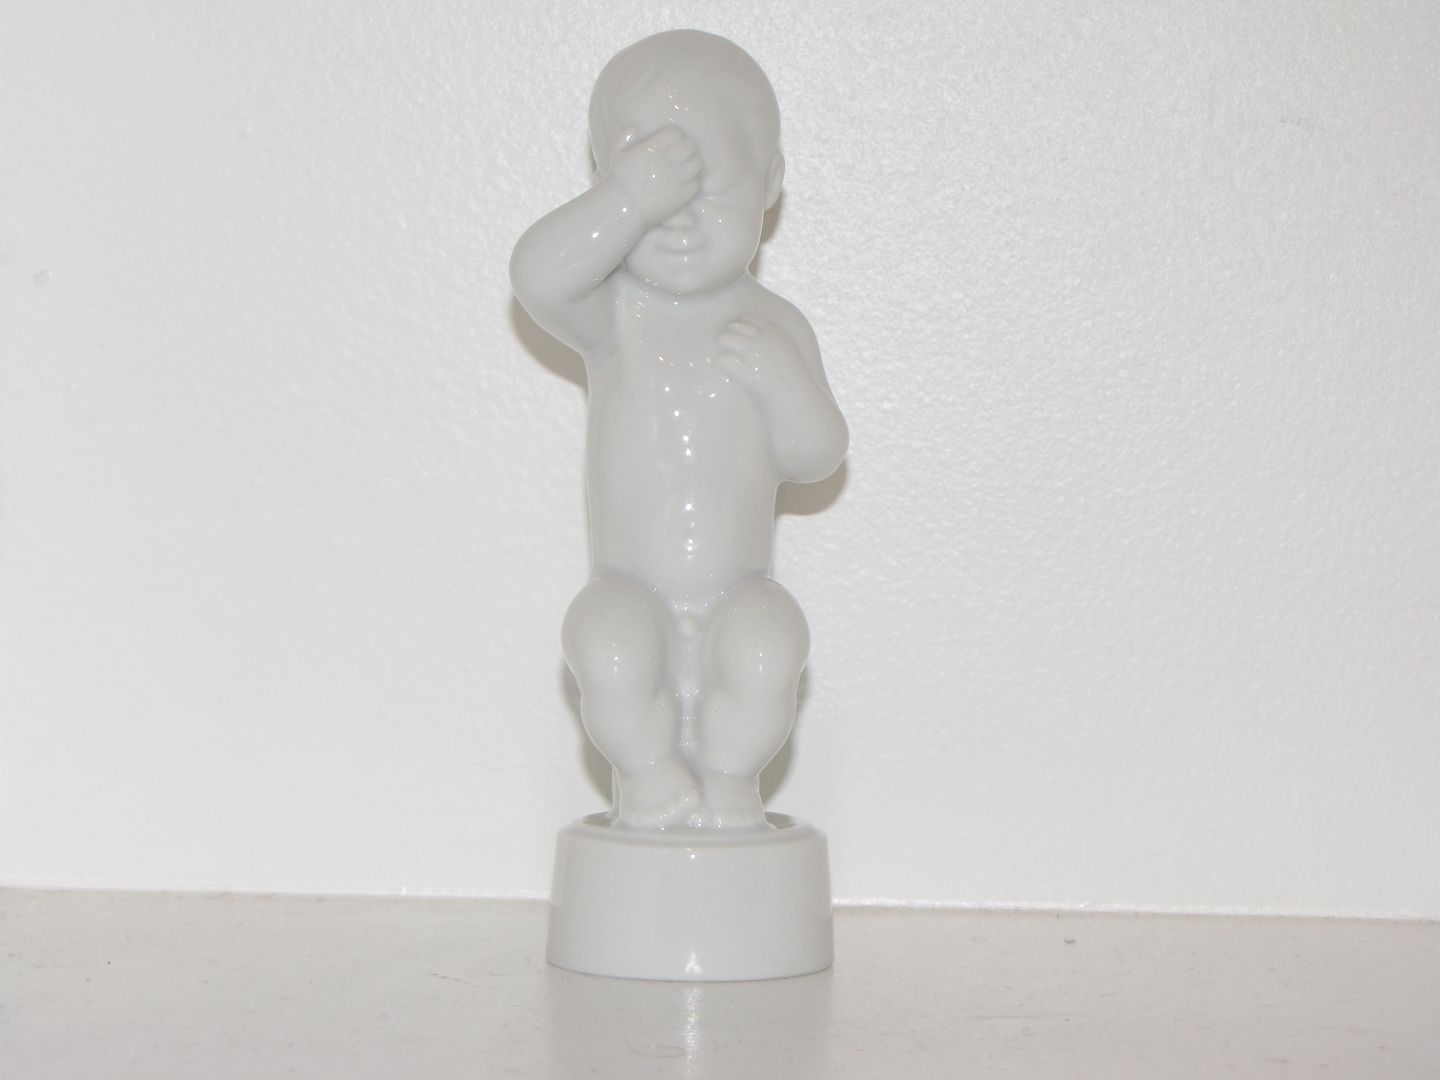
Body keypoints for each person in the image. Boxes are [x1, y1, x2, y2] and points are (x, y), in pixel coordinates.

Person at [511, 30, 847, 828]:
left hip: (739, 591)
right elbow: (536, 276)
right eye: (659, 197)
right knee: (606, 643)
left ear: (770, 184)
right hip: (629, 586)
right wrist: (628, 202)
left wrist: (784, 384)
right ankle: (649, 775)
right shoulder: (616, 315)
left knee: (771, 644)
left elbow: (818, 454)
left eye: (712, 194)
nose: (681, 224)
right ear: (606, 176)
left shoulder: (776, 327)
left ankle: (730, 780)